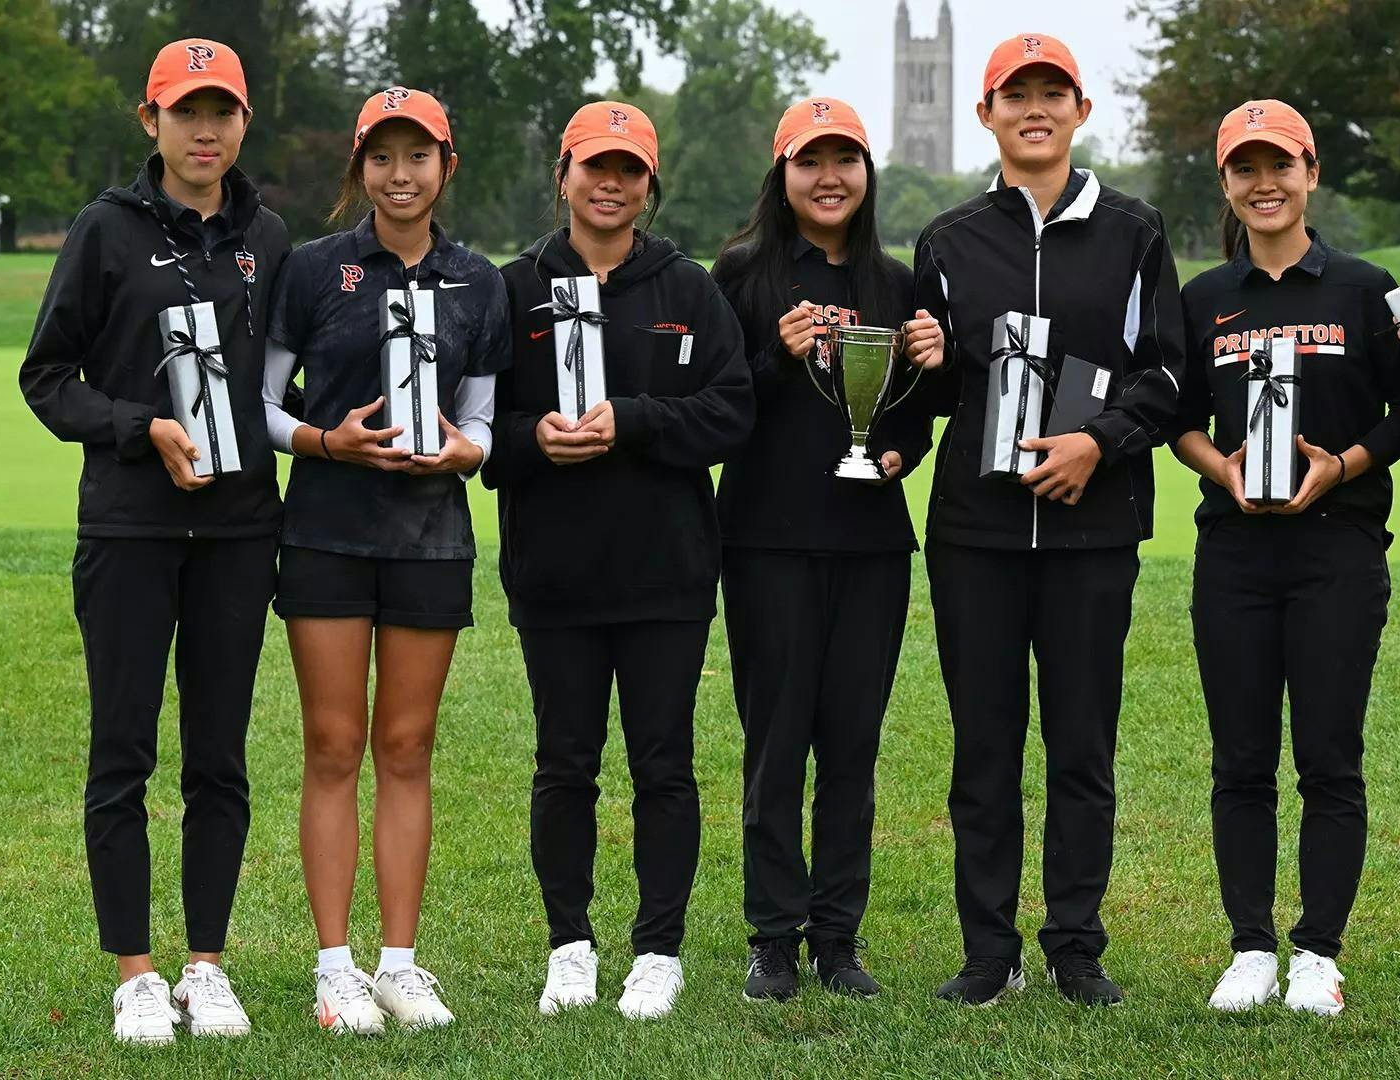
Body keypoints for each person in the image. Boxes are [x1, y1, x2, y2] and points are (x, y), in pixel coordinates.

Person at [18, 37, 288, 1046]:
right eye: (186, 111)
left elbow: (281, 382)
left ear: (244, 122)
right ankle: (135, 972)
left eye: (221, 111)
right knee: (123, 751)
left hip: (239, 533)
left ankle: (206, 967)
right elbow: (49, 378)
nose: (203, 129)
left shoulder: (270, 235)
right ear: (152, 120)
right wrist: (141, 427)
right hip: (129, 527)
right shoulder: (105, 229)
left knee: (219, 756)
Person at [912, 33, 1185, 1007]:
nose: (1035, 109)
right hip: (975, 534)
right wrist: (919, 360)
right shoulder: (947, 240)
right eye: (1015, 94)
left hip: (1092, 532)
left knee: (1081, 747)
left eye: (1052, 93)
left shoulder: (1135, 230)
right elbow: (932, 392)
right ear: (985, 113)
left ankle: (1075, 946)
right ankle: (989, 953)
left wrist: (1096, 443)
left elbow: (1168, 373)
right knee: (983, 750)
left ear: (1080, 111)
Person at [485, 101, 753, 1021]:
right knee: (564, 765)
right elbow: (476, 429)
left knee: (663, 767)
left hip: (665, 575)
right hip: (554, 574)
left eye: (629, 169)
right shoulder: (514, 288)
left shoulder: (688, 289)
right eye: (594, 166)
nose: (610, 183)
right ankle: (569, 946)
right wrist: (532, 438)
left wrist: (634, 420)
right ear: (562, 174)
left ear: (649, 185)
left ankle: (658, 951)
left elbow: (732, 412)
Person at [1172, 100, 1400, 1016]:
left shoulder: (1364, 288)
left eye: (1280, 165)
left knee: (1328, 758)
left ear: (1311, 174)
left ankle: (1318, 950)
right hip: (1234, 554)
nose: (1264, 184)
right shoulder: (1203, 298)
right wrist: (1222, 468)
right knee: (1241, 760)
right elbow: (1178, 419)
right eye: (1244, 169)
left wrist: (1343, 466)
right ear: (1226, 185)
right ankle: (1249, 947)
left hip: (1338, 550)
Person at [261, 86, 509, 1034]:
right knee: (333, 747)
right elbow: (263, 404)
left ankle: (399, 966)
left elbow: (481, 419)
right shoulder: (312, 269)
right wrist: (326, 442)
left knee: (407, 749)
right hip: (325, 531)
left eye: (418, 157)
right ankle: (336, 970)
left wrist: (465, 453)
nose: (399, 175)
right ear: (359, 167)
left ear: (447, 167)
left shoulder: (479, 281)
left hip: (429, 541)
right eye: (381, 157)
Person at [709, 97, 942, 1001]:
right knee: (776, 745)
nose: (830, 177)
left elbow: (914, 416)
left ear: (867, 174)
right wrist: (775, 355)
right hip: (766, 539)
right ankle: (773, 937)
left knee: (851, 745)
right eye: (810, 161)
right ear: (783, 176)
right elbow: (718, 410)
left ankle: (838, 939)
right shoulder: (742, 275)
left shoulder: (896, 283)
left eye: (846, 159)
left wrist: (902, 443)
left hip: (870, 544)